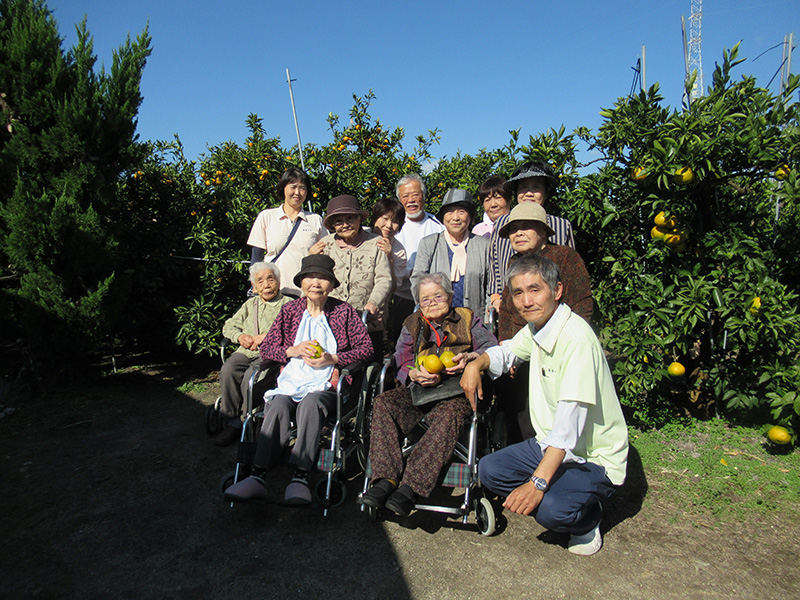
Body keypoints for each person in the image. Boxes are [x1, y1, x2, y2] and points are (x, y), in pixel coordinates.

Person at [461, 254, 628, 556]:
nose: (526, 301)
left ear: (558, 290)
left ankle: (588, 517)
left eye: (535, 289)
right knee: (488, 470)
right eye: (518, 292)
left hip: (591, 455)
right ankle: (563, 488)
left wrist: (536, 484)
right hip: (548, 444)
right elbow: (510, 350)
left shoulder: (575, 339)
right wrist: (478, 363)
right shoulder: (539, 327)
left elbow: (568, 429)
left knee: (550, 511)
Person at [223, 255, 373, 505]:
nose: (316, 283)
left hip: (326, 383)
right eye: (310, 277)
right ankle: (257, 477)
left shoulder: (343, 311)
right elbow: (268, 348)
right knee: (279, 404)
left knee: (311, 404)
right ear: (301, 283)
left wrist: (333, 358)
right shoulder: (290, 310)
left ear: (332, 285)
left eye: (323, 278)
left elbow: (366, 349)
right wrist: (292, 351)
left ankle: (300, 477)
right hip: (292, 380)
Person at [359, 273, 497, 516]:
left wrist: (470, 358)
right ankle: (385, 480)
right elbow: (400, 360)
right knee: (384, 402)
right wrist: (411, 375)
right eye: (425, 299)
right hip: (420, 393)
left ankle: (411, 487)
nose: (431, 302)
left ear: (449, 296)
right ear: (418, 303)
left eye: (437, 296)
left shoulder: (467, 318)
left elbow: (490, 348)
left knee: (449, 411)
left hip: (458, 393)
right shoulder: (412, 323)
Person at [215, 262, 292, 446]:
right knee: (228, 370)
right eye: (260, 281)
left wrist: (265, 337)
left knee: (252, 375)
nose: (266, 284)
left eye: (270, 279)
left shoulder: (289, 305)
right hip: (245, 351)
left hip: (271, 354)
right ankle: (232, 421)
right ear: (255, 288)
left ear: (278, 282)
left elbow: (291, 333)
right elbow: (229, 326)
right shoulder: (250, 304)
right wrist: (240, 336)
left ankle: (246, 420)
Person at [309, 195, 392, 361]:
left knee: (368, 363)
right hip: (331, 320)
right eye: (338, 221)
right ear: (332, 225)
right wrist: (311, 258)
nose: (345, 225)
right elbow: (313, 278)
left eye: (350, 218)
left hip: (368, 319)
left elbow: (384, 279)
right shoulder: (325, 245)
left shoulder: (376, 243)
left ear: (359, 219)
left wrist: (373, 302)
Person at [496, 202, 593, 341]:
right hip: (521, 345)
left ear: (543, 231)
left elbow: (582, 304)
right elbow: (506, 309)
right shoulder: (514, 262)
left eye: (526, 227)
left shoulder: (564, 256)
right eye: (514, 229)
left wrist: (570, 341)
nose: (519, 233)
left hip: (558, 342)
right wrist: (506, 346)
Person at [488, 161, 576, 311]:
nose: (529, 193)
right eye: (523, 187)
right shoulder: (502, 222)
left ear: (546, 192)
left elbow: (570, 271)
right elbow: (494, 263)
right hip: (509, 302)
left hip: (548, 306)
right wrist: (495, 297)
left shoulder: (561, 225)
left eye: (536, 187)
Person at [411, 188, 491, 323]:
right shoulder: (429, 243)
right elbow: (417, 280)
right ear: (443, 217)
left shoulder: (483, 245)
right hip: (437, 320)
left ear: (470, 217)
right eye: (450, 211)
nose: (455, 217)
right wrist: (427, 305)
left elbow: (490, 283)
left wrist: (489, 312)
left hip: (475, 320)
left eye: (461, 211)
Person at [247, 167, 327, 297]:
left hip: (304, 294)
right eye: (293, 187)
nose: (297, 192)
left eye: (302, 188)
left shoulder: (315, 220)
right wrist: (256, 284)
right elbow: (256, 256)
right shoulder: (267, 217)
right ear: (283, 188)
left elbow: (325, 256)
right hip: (273, 294)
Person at [390, 174, 444, 342]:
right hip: (402, 297)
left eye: (415, 195)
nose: (411, 200)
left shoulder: (438, 225)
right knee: (404, 343)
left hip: (433, 298)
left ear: (424, 196)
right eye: (405, 196)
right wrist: (409, 272)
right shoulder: (394, 227)